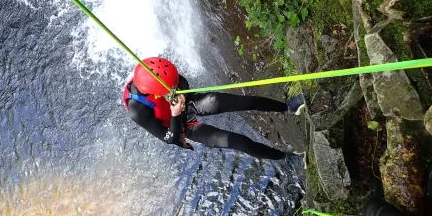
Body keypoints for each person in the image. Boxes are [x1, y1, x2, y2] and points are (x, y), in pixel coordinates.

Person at [122, 57, 302, 160]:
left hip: (188, 103)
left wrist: (183, 94)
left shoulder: (159, 70)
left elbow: (181, 81)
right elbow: (169, 138)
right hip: (181, 126)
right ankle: (286, 158)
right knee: (240, 142)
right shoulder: (137, 110)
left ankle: (289, 107)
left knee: (244, 102)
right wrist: (175, 115)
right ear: (156, 93)